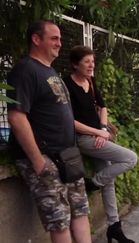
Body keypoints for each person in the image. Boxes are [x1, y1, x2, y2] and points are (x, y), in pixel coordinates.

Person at [7, 20, 91, 243]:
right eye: (54, 38)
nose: (59, 43)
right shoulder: (25, 70)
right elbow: (16, 116)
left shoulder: (50, 71)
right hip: (45, 158)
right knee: (59, 220)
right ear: (36, 39)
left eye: (60, 39)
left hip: (67, 156)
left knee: (80, 211)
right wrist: (37, 160)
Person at [63, 45, 137, 243]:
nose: (91, 65)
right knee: (131, 158)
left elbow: (102, 107)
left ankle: (114, 227)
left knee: (109, 181)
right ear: (74, 64)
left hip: (98, 137)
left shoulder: (91, 81)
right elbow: (69, 121)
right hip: (83, 139)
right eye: (87, 61)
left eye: (92, 61)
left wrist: (103, 128)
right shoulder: (66, 85)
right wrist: (97, 132)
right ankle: (93, 183)